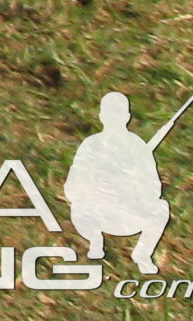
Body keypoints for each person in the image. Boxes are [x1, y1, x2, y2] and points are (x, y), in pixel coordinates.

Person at [63, 92, 172, 274]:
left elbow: (153, 188)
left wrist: (132, 186)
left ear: (127, 117)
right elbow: (73, 186)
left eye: (118, 114)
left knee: (161, 208)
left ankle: (142, 254)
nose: (114, 119)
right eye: (109, 114)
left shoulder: (137, 146)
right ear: (101, 116)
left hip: (128, 212)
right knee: (79, 206)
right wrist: (97, 187)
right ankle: (95, 241)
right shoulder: (91, 145)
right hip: (95, 212)